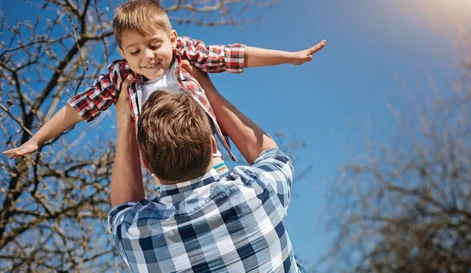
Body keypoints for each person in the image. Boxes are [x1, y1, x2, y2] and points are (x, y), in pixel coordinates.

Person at [107, 65, 355, 273]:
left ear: (146, 164)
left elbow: (123, 205)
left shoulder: (138, 236)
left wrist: (125, 122)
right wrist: (208, 90)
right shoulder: (256, 192)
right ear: (212, 143)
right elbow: (268, 152)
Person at [3, 0, 326, 161]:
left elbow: (232, 55)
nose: (147, 56)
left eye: (155, 44)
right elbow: (78, 107)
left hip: (206, 157)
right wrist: (36, 140)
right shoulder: (121, 76)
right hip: (161, 165)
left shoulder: (186, 54)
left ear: (172, 38)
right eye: (135, 51)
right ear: (122, 53)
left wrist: (288, 56)